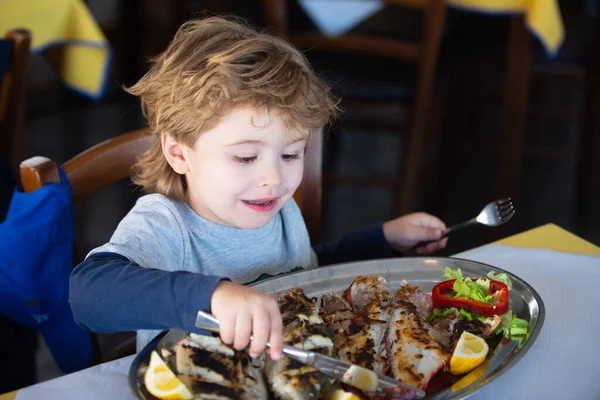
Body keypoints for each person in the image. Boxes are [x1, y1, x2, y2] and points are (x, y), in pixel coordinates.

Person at [69, 16, 447, 361]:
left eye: (291, 154)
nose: (274, 178)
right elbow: (87, 296)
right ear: (179, 153)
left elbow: (307, 273)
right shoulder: (165, 225)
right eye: (246, 158)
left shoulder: (276, 208)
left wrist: (381, 241)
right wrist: (214, 295)